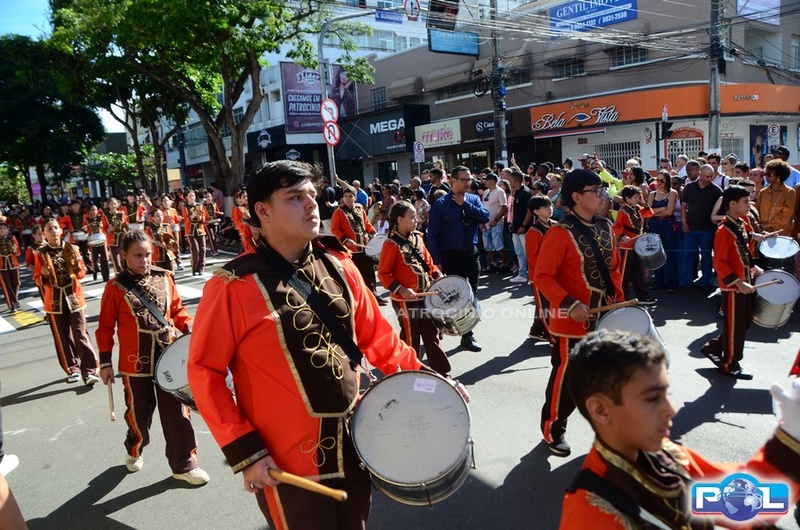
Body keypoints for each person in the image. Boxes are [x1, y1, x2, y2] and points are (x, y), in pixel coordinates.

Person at [187, 160, 452, 529]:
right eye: (295, 197)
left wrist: (430, 383)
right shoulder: (231, 286)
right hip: (286, 462)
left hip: (356, 444)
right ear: (262, 211)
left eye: (312, 195)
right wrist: (247, 452)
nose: (311, 203)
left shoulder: (340, 265)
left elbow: (379, 339)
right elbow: (204, 371)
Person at [560, 329, 800, 529]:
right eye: (652, 398)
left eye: (667, 393)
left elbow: (744, 504)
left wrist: (792, 436)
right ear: (601, 410)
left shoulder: (666, 457)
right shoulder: (589, 514)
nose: (671, 410)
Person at [96, 230, 208, 485]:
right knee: (139, 415)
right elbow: (105, 327)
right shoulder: (115, 287)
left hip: (169, 358)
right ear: (123, 255)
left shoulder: (164, 277)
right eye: (138, 255)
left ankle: (184, 464)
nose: (144, 260)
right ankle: (134, 448)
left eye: (147, 254)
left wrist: (191, 329)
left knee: (178, 413)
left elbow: (178, 311)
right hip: (135, 364)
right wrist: (105, 362)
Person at [534, 170, 624, 457]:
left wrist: (620, 302)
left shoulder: (606, 226)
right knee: (567, 380)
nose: (602, 195)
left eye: (602, 190)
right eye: (596, 190)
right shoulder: (559, 233)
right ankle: (553, 429)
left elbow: (614, 270)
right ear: (576, 197)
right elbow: (543, 276)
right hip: (571, 321)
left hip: (604, 317)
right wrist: (569, 304)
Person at [700, 185, 770, 380]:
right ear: (732, 204)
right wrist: (739, 283)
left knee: (745, 321)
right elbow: (719, 262)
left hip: (744, 282)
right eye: (745, 202)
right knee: (735, 326)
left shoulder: (740, 223)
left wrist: (752, 267)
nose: (749, 205)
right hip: (733, 287)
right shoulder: (723, 230)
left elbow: (742, 248)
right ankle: (730, 364)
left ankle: (713, 347)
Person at [378, 201, 450, 376]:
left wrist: (438, 276)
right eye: (412, 217)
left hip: (425, 297)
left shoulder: (417, 237)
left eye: (416, 216)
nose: (416, 220)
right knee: (411, 338)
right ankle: (409, 373)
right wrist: (401, 289)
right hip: (405, 301)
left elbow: (428, 264)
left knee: (431, 335)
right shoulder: (391, 244)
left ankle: (441, 372)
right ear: (400, 220)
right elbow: (383, 274)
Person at [427, 165, 490, 352]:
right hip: (450, 257)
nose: (467, 183)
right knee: (452, 298)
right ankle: (440, 327)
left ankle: (467, 335)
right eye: (463, 180)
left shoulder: (473, 199)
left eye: (469, 179)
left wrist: (465, 205)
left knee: (471, 297)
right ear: (452, 180)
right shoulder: (440, 204)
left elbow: (485, 217)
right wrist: (436, 260)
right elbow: (432, 235)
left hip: (471, 254)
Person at [33, 218, 100, 384]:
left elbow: (81, 272)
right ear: (44, 233)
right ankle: (73, 369)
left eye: (56, 228)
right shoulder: (41, 254)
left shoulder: (72, 249)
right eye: (49, 229)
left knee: (80, 333)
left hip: (74, 298)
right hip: (54, 302)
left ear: (61, 230)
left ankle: (90, 370)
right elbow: (37, 279)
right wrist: (44, 275)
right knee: (63, 337)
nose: (54, 231)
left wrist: (77, 266)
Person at [330, 186, 385, 305]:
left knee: (369, 273)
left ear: (355, 197)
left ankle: (373, 296)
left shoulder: (360, 209)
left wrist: (374, 233)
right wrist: (345, 240)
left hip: (364, 247)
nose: (348, 199)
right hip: (351, 250)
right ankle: (358, 299)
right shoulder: (338, 212)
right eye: (345, 196)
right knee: (354, 275)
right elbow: (334, 229)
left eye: (350, 196)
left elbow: (366, 223)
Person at [674, 164, 722, 294]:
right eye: (707, 176)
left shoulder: (716, 190)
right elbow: (684, 206)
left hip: (708, 229)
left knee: (706, 257)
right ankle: (685, 283)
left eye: (711, 176)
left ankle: (705, 283)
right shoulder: (689, 187)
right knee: (687, 256)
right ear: (700, 174)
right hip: (690, 228)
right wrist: (684, 223)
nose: (709, 179)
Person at [613, 186, 656, 305]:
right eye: (636, 197)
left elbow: (649, 214)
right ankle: (621, 298)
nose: (638, 199)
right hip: (627, 246)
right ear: (628, 199)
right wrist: (623, 236)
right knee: (625, 273)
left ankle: (642, 296)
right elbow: (616, 227)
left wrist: (643, 203)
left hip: (638, 245)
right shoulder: (623, 210)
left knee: (638, 272)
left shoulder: (637, 208)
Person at [525, 195, 556, 342]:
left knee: (546, 305)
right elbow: (532, 258)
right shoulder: (533, 232)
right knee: (546, 306)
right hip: (540, 276)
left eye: (550, 205)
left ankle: (537, 330)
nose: (550, 208)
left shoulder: (556, 225)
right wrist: (548, 271)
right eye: (545, 207)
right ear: (536, 211)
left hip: (556, 272)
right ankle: (553, 337)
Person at [647, 171, 679, 290]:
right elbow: (647, 212)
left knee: (669, 254)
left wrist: (654, 212)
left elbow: (669, 212)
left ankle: (672, 282)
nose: (659, 183)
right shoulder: (652, 194)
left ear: (667, 181)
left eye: (662, 180)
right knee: (655, 253)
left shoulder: (672, 193)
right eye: (657, 180)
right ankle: (658, 281)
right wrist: (661, 208)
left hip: (667, 226)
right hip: (654, 226)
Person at [756, 159, 795, 237]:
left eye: (769, 175)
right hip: (764, 233)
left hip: (781, 234)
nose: (766, 177)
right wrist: (761, 226)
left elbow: (786, 214)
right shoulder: (763, 192)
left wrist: (770, 224)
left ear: (779, 176)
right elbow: (757, 210)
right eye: (765, 174)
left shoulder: (789, 192)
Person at [480, 173, 508, 273]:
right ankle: (493, 263)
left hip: (496, 223)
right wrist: (482, 221)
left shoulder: (500, 191)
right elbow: (483, 207)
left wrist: (496, 219)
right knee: (487, 245)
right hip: (486, 223)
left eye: (487, 180)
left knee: (498, 244)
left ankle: (504, 264)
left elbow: (504, 207)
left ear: (492, 181)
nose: (485, 182)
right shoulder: (485, 192)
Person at [182, 191, 209, 276]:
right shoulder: (185, 207)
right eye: (190, 196)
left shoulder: (200, 206)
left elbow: (205, 217)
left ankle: (201, 268)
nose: (191, 197)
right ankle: (194, 268)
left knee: (202, 249)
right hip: (190, 230)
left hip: (200, 229)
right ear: (187, 197)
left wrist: (201, 217)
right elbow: (185, 219)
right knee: (195, 249)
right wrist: (192, 216)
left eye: (193, 195)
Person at [0, 222, 21, 311]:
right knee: (7, 285)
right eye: (0, 229)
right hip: (2, 265)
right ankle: (13, 304)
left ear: (7, 230)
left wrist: (15, 250)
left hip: (13, 263)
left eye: (4, 229)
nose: (2, 230)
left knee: (16, 283)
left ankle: (14, 300)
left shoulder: (12, 238)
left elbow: (18, 252)